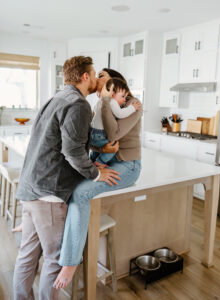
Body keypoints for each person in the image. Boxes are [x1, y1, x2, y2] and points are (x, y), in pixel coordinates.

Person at [13, 56, 120, 300]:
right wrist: (96, 173)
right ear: (85, 77)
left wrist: (100, 149)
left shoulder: (56, 98)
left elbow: (70, 137)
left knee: (27, 255)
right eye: (94, 75)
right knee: (54, 259)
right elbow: (72, 150)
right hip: (49, 195)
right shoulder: (79, 104)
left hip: (30, 190)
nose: (95, 80)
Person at [54, 67, 143, 289]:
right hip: (104, 160)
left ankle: (71, 262)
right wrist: (99, 149)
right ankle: (58, 240)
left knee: (81, 193)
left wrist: (104, 103)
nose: (96, 80)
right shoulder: (100, 104)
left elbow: (114, 135)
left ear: (115, 81)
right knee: (68, 178)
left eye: (101, 76)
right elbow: (92, 140)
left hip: (127, 165)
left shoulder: (132, 104)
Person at [90, 77, 141, 167]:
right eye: (122, 96)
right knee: (113, 147)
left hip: (92, 133)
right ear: (112, 94)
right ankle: (100, 162)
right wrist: (132, 108)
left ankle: (93, 159)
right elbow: (120, 114)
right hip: (101, 134)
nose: (125, 99)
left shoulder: (100, 101)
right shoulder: (112, 102)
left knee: (97, 149)